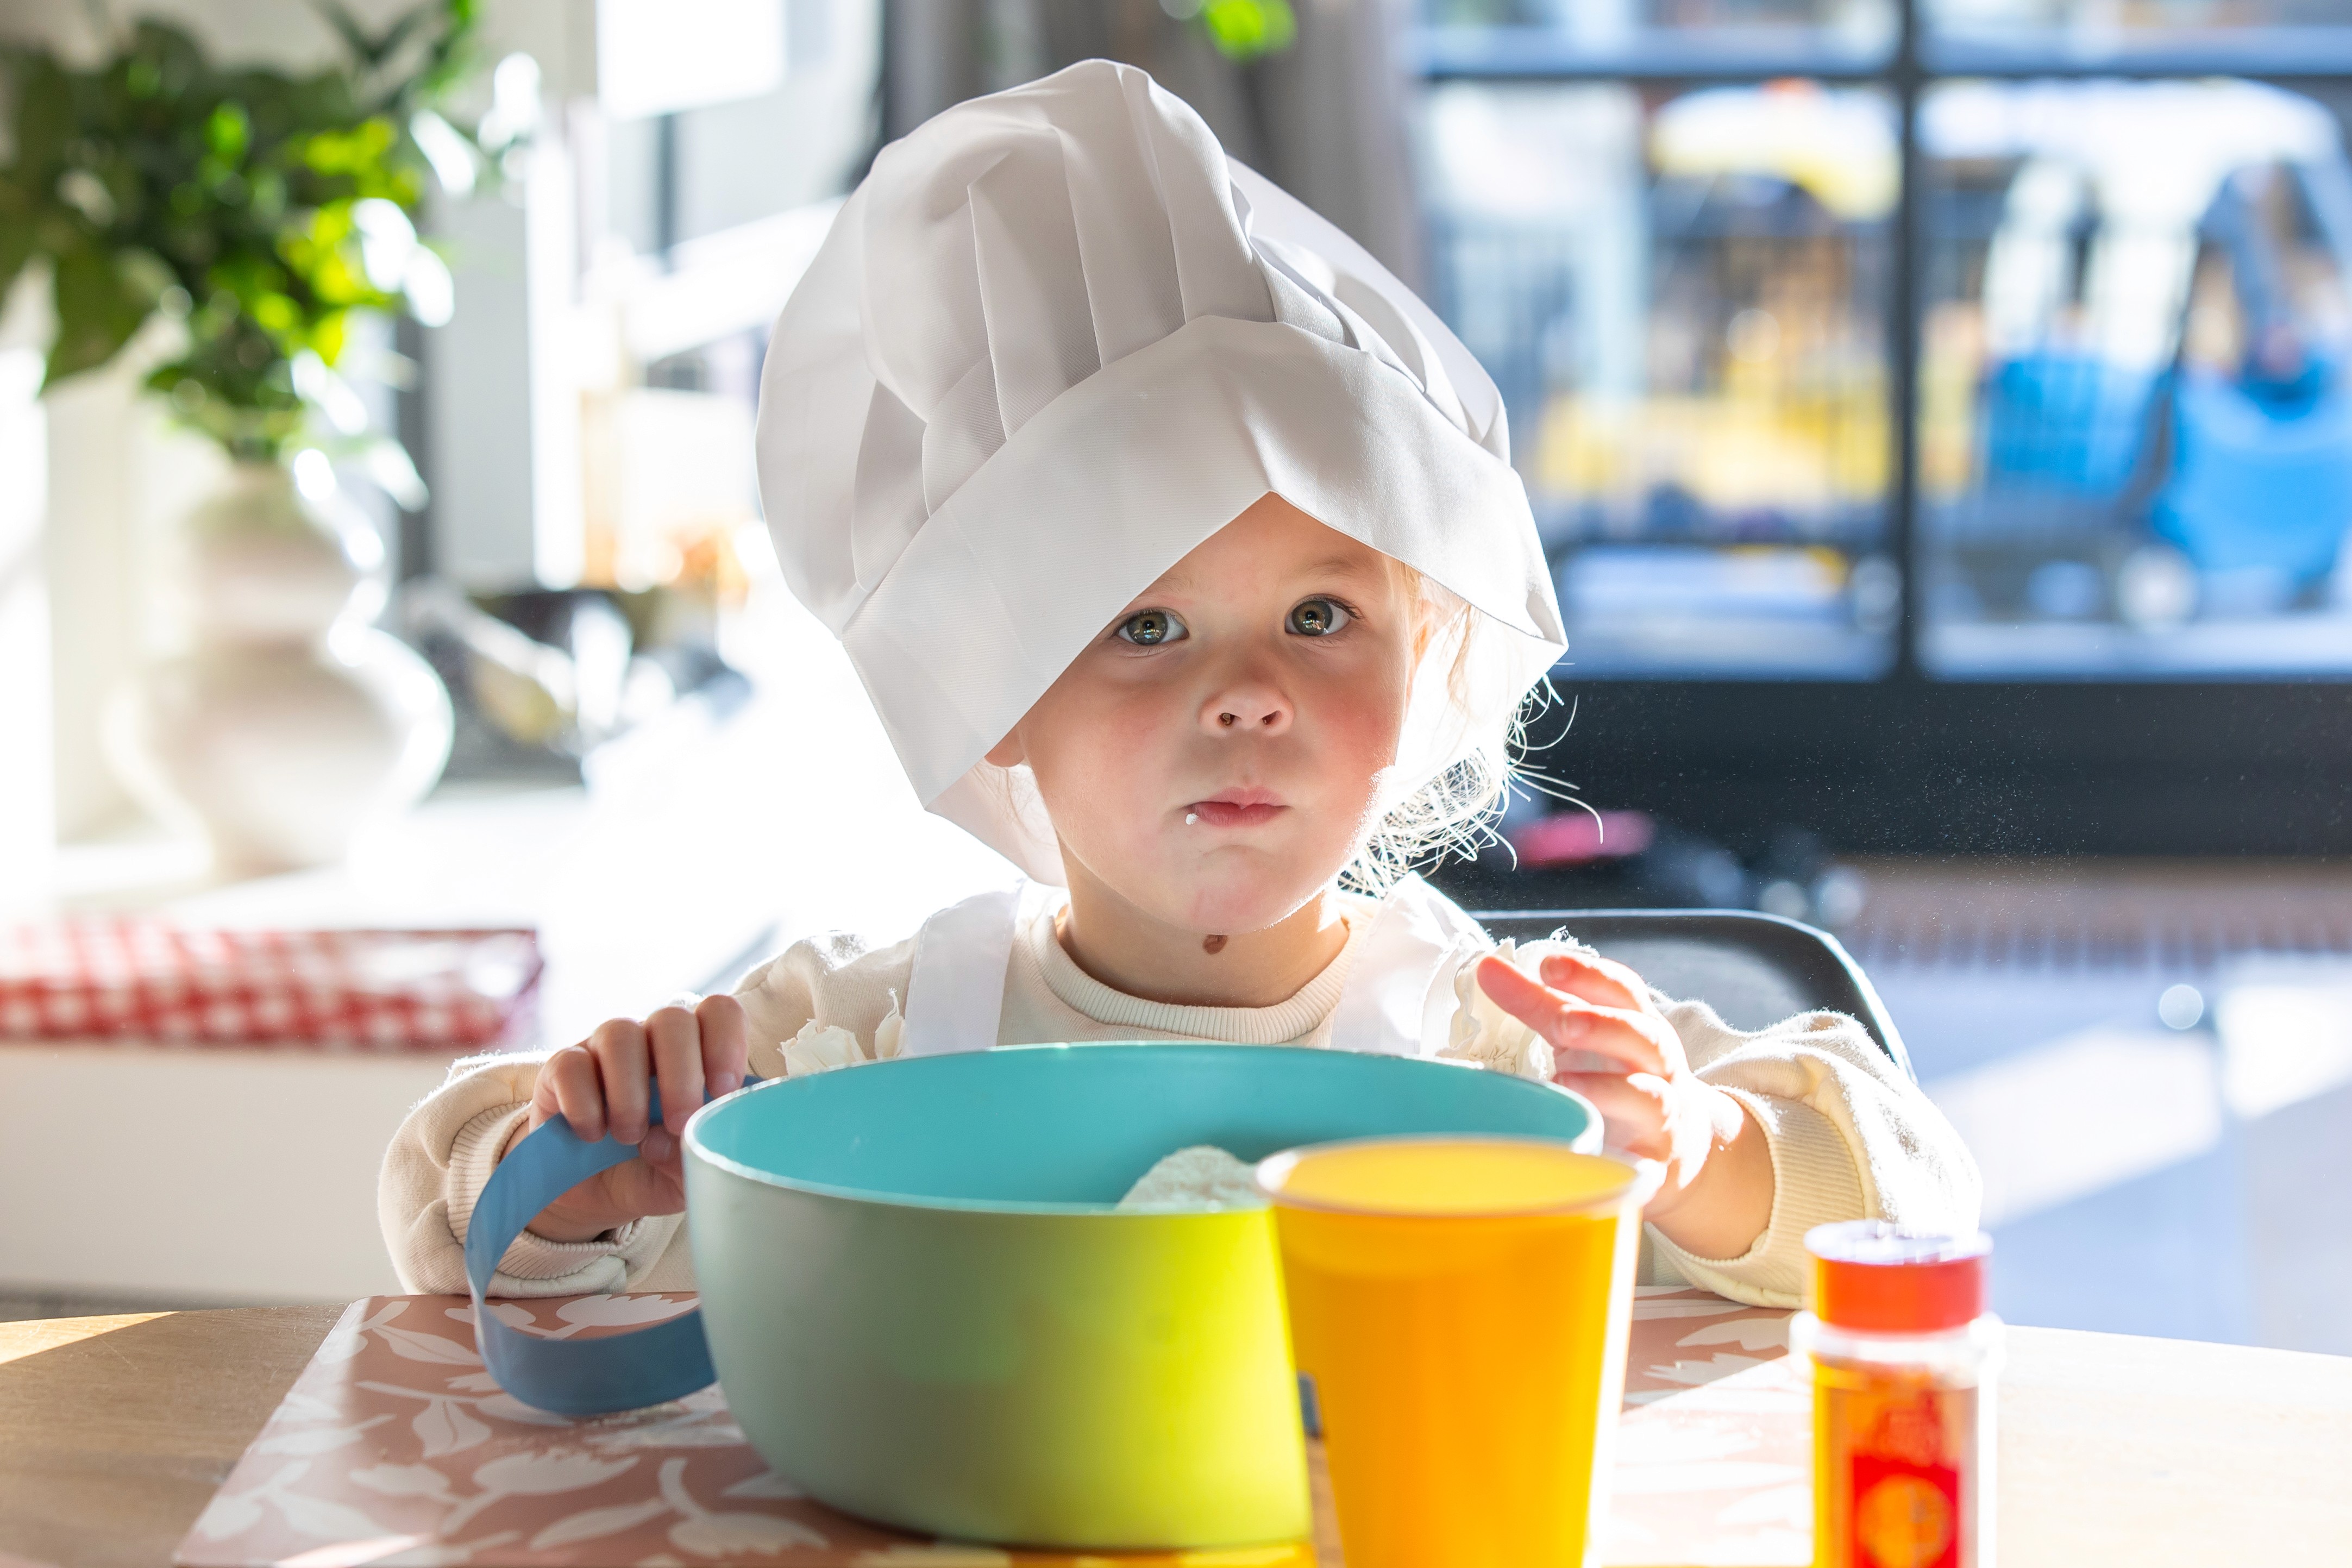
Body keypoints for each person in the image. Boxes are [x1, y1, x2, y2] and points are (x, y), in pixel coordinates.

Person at [380, 60, 1978, 1310]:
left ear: (1425, 660)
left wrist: (1700, 1150)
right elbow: (452, 1212)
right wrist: (583, 1169)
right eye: (1145, 628)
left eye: (1321, 616)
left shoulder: (1492, 1044)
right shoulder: (858, 1049)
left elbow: (1908, 1189)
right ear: (991, 686)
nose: (1247, 695)